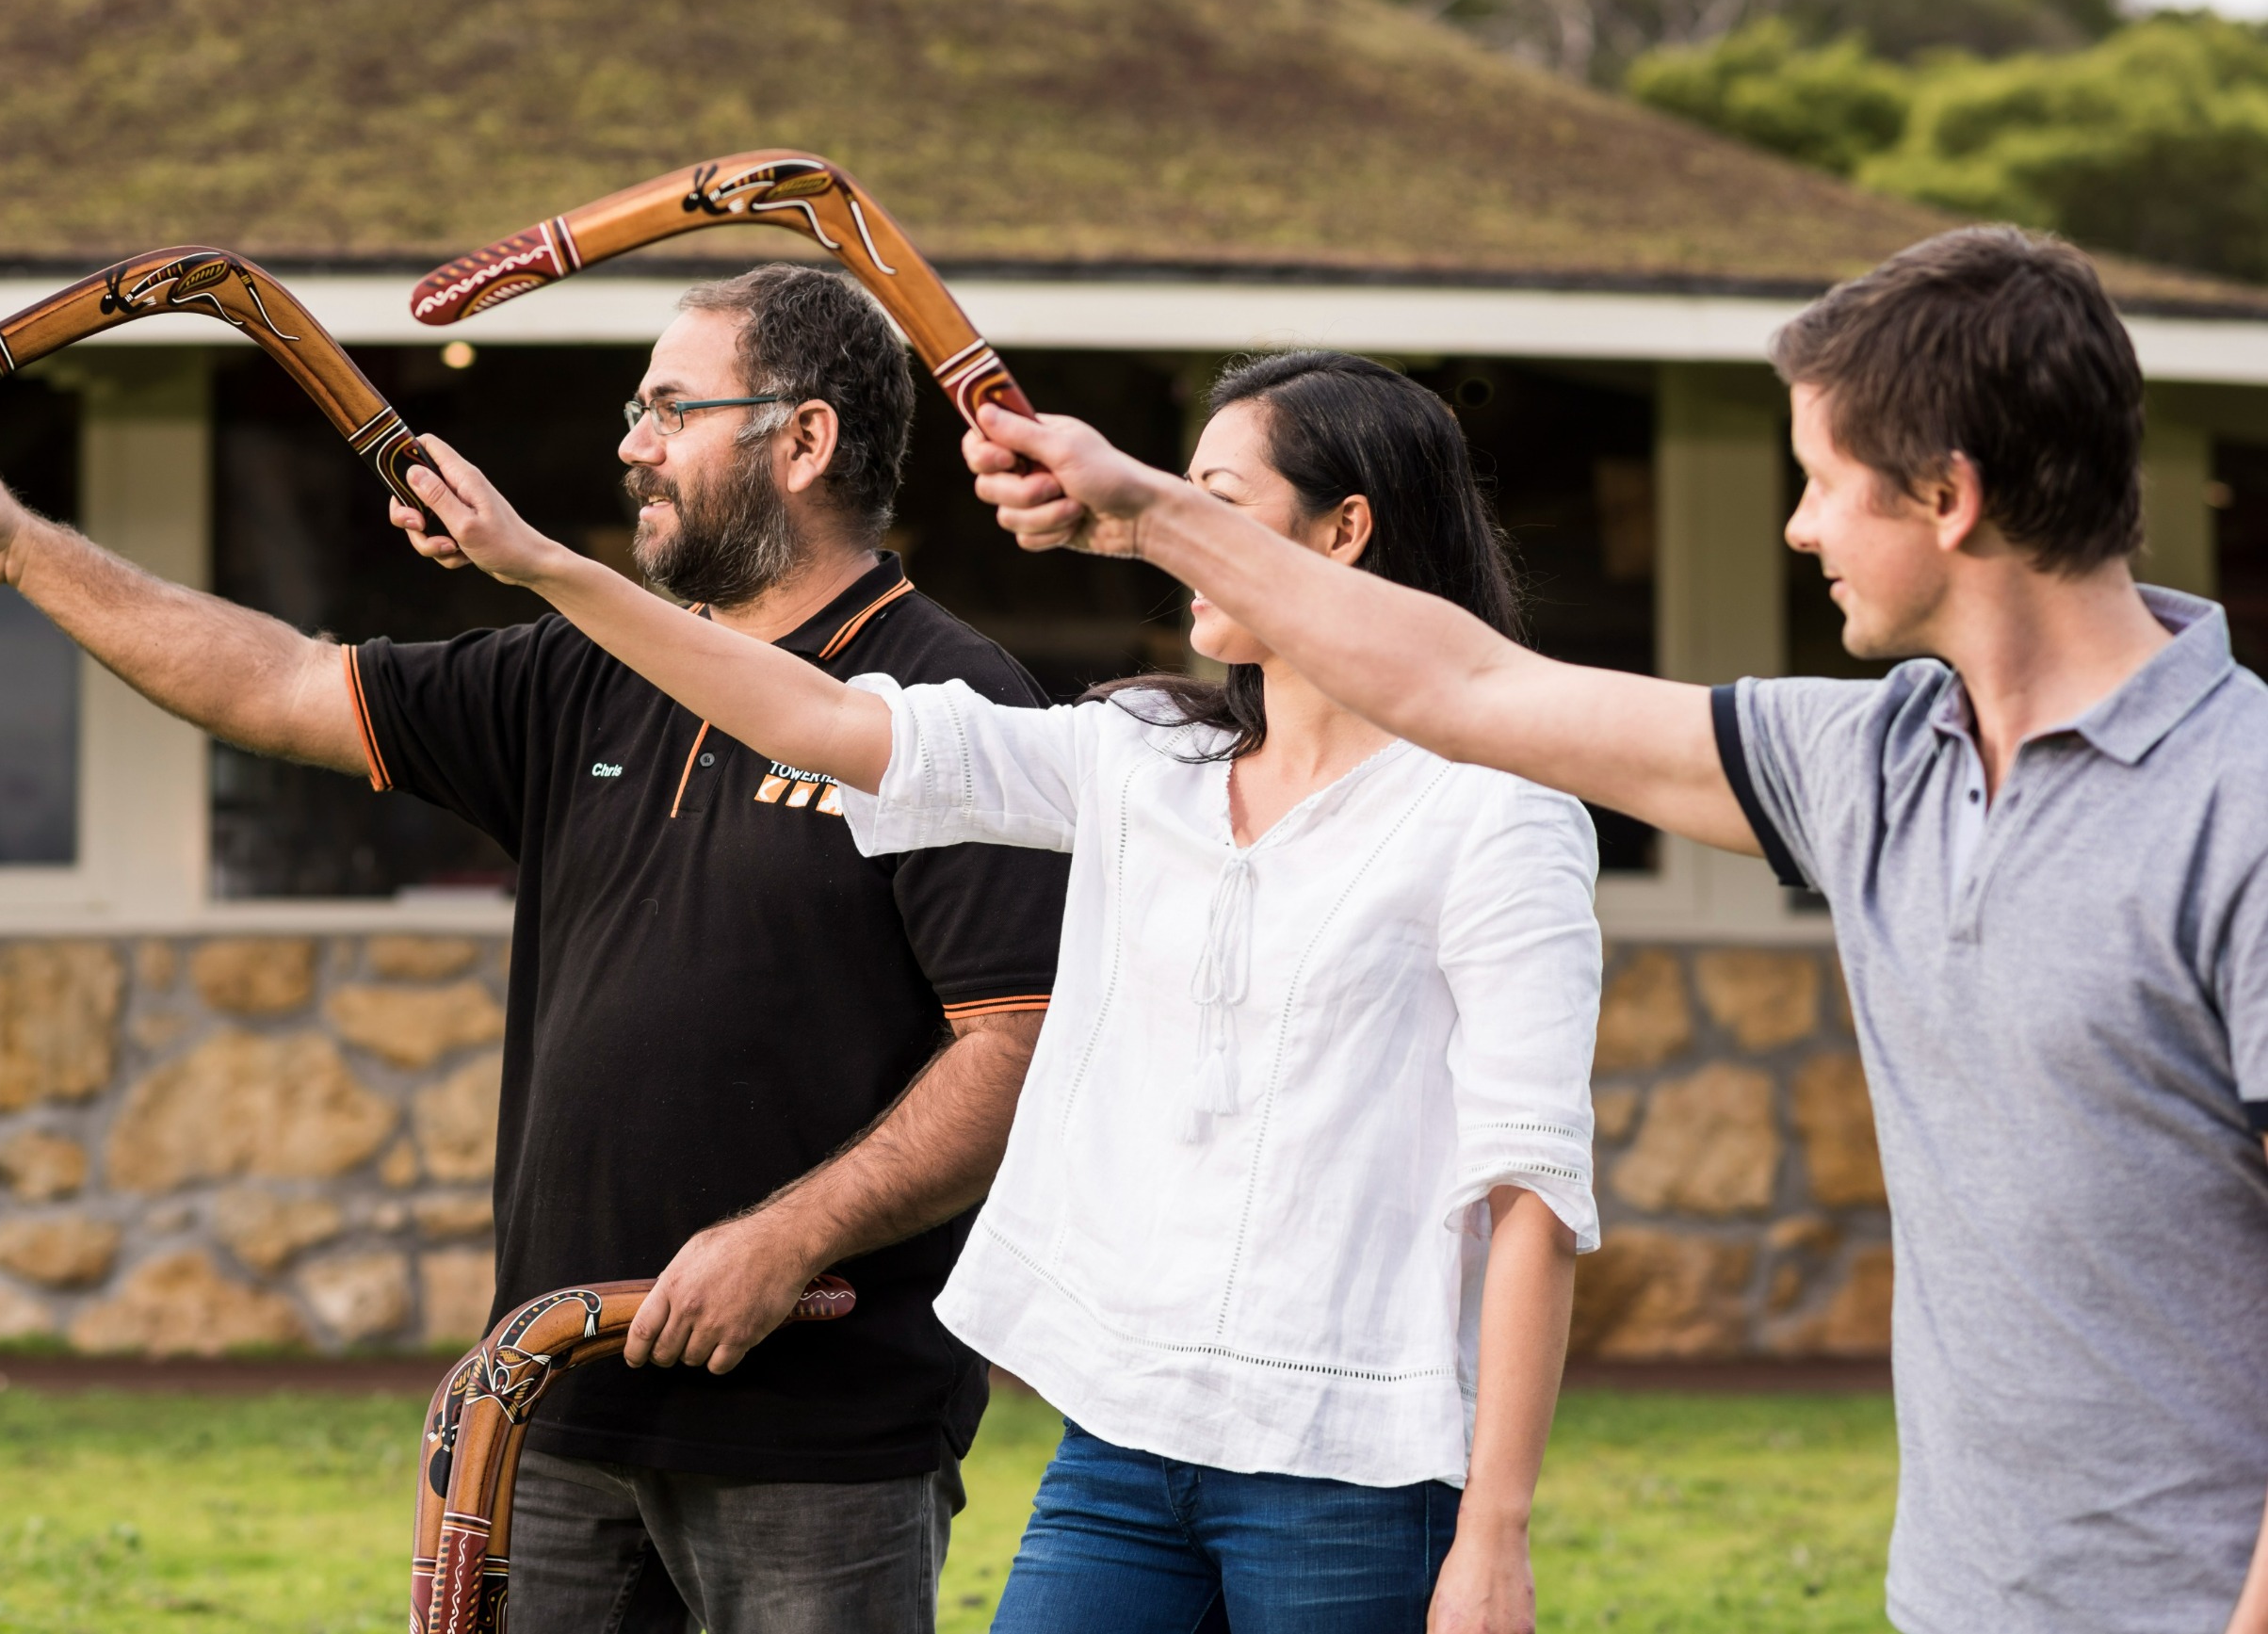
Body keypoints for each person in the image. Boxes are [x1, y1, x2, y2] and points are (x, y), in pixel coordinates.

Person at [957, 226, 2268, 1634]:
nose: (1799, 526)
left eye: (1823, 481)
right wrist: (1154, 512)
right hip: (1957, 1597)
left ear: (1947, 496)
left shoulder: (2236, 808)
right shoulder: (1876, 764)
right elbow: (1469, 682)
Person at [0, 264, 1071, 1634]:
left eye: (671, 410)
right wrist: (25, 547)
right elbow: (278, 681)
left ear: (801, 441)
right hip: (553, 1412)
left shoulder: (949, 703)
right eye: (637, 409)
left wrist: (787, 1238)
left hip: (816, 1444)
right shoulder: (586, 668)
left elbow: (1022, 1040)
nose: (631, 443)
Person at [390, 349, 1603, 1634]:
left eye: (1218, 507)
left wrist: (1494, 1535)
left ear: (1345, 530)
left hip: (1351, 1465)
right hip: (1122, 1446)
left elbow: (1530, 1190)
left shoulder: (1499, 815)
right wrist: (547, 570)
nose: (1175, 539)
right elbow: (820, 719)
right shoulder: (1147, 763)